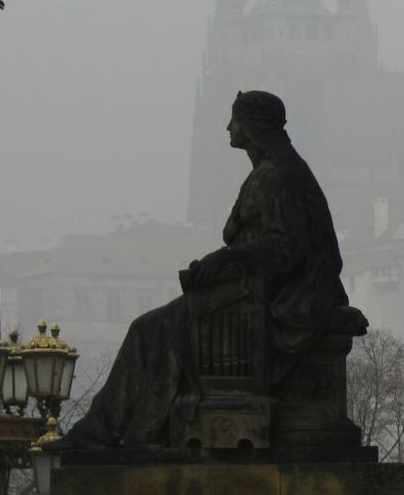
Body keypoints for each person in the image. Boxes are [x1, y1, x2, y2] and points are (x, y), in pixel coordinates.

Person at [53, 89, 349, 449]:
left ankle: (118, 432)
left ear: (252, 127)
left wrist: (224, 260)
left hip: (283, 302)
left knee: (150, 328)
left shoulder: (279, 176)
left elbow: (286, 249)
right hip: (254, 291)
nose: (228, 127)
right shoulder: (269, 172)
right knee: (153, 327)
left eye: (234, 120)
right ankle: (116, 429)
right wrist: (216, 266)